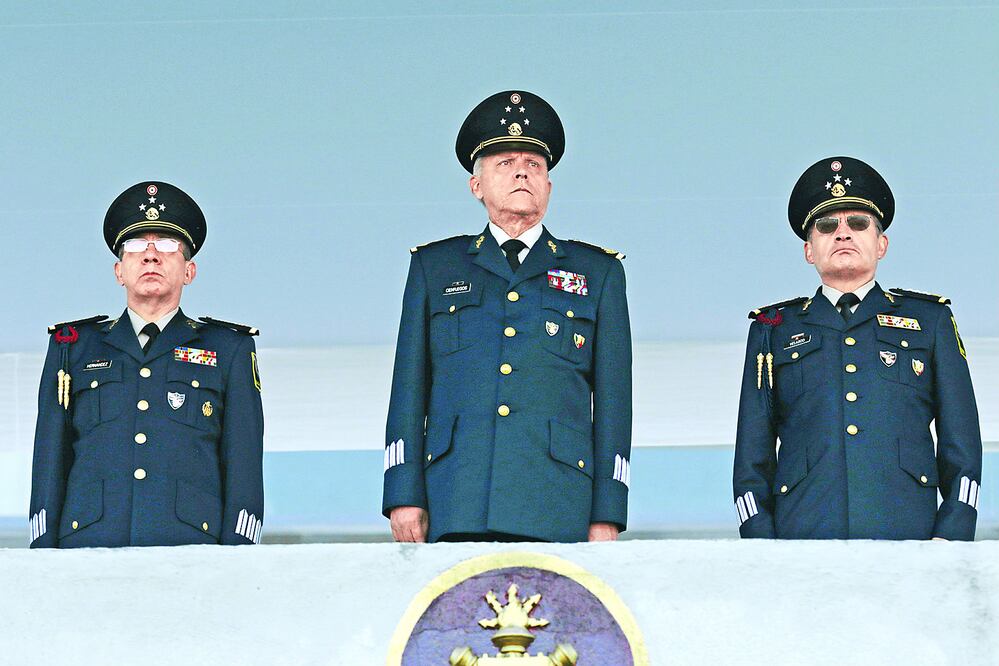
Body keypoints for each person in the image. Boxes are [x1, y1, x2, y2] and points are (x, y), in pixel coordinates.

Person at [382, 90, 633, 543]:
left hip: (558, 503)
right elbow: (408, 390)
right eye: (505, 162)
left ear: (549, 186)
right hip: (455, 498)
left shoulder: (599, 273)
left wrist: (607, 511)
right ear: (476, 186)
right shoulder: (434, 268)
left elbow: (615, 404)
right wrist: (403, 493)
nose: (522, 171)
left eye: (535, 164)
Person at [733, 156, 982, 540]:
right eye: (827, 225)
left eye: (859, 223)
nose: (843, 233)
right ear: (809, 250)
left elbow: (961, 444)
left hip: (911, 539)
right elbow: (752, 456)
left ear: (881, 244)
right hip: (801, 542)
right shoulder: (773, 328)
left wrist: (950, 538)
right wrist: (763, 545)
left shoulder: (930, 322)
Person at [28, 181, 264, 548]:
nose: (151, 255)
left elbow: (243, 463)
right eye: (136, 246)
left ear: (189, 271)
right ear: (119, 270)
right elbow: (50, 458)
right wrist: (43, 551)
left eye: (169, 245)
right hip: (87, 551)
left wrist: (238, 556)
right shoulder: (72, 347)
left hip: (193, 553)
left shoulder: (229, 349)